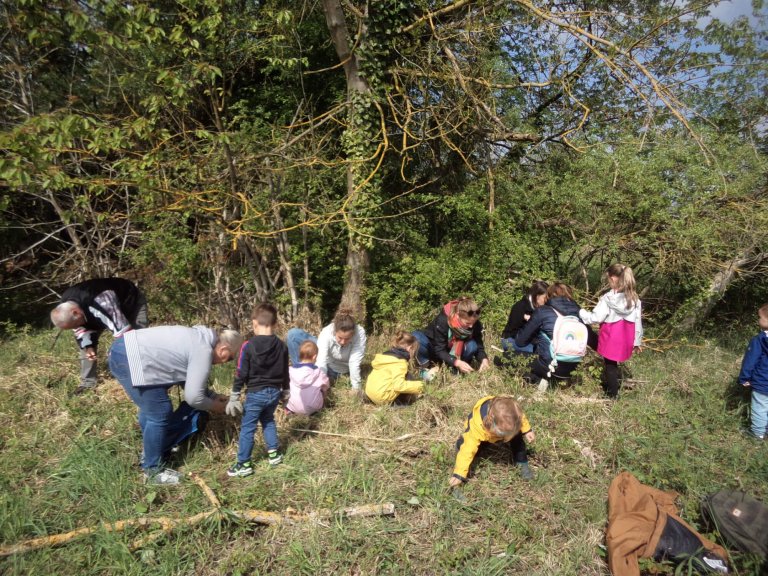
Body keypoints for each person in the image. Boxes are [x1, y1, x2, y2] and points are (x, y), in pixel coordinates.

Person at [108, 325, 242, 485]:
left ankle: (151, 453)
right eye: (230, 358)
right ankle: (152, 471)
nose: (225, 362)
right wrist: (214, 406)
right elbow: (194, 398)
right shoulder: (203, 350)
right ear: (224, 350)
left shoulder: (199, 337)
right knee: (158, 412)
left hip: (123, 350)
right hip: (130, 356)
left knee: (152, 408)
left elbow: (188, 380)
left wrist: (213, 396)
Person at [51, 277, 148, 395]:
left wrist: (116, 355)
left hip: (130, 304)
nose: (76, 327)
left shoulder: (101, 301)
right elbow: (79, 329)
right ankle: (87, 383)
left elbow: (125, 335)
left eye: (75, 324)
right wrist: (89, 345)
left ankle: (141, 379)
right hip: (92, 312)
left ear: (75, 312)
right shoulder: (67, 303)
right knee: (85, 349)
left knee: (137, 341)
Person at [226, 303, 290, 477]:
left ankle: (244, 463)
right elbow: (285, 370)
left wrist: (235, 395)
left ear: (254, 323)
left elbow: (241, 372)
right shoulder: (282, 345)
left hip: (256, 393)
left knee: (248, 427)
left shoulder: (248, 345)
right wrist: (286, 391)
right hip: (275, 392)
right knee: (268, 420)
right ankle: (274, 454)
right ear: (275, 324)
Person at [579, 264, 643, 398]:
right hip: (626, 336)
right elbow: (638, 322)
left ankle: (613, 394)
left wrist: (581, 313)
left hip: (611, 335)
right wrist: (637, 341)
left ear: (613, 278)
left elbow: (596, 318)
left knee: (610, 365)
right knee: (613, 363)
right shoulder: (635, 299)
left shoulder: (607, 298)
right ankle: (613, 389)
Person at [515, 282, 597, 382]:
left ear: (549, 296)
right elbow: (595, 343)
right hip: (572, 369)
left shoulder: (543, 311)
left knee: (503, 358)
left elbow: (520, 341)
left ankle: (538, 380)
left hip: (549, 366)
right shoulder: (579, 314)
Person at [449, 395, 536, 486]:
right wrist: (459, 474)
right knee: (473, 449)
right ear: (491, 424)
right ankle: (460, 444)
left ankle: (521, 462)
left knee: (518, 439)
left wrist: (527, 430)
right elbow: (467, 451)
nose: (507, 438)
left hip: (500, 429)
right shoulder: (477, 430)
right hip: (483, 434)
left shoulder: (511, 412)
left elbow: (520, 417)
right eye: (503, 434)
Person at [286, 307, 367, 392]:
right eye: (340, 338)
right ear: (335, 331)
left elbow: (354, 362)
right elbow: (321, 361)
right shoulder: (327, 332)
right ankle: (300, 374)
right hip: (327, 364)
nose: (343, 342)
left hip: (340, 370)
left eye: (347, 339)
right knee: (293, 335)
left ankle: (318, 377)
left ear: (353, 334)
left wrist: (356, 388)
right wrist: (320, 383)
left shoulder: (360, 334)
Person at [413, 297, 490, 378]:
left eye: (473, 323)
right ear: (457, 315)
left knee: (473, 345)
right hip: (436, 350)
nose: (471, 326)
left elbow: (479, 346)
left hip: (457, 353)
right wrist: (456, 362)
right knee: (416, 337)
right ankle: (426, 368)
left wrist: (483, 359)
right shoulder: (443, 320)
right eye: (467, 323)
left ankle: (457, 369)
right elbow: (439, 349)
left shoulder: (474, 322)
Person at [365, 331, 424, 405]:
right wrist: (422, 386)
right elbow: (399, 386)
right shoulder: (399, 362)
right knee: (408, 377)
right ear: (410, 348)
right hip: (383, 398)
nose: (414, 354)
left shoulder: (385, 357)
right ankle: (402, 403)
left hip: (370, 393)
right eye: (414, 351)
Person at [737, 303, 768, 439]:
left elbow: (750, 361)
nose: (758, 320)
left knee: (760, 407)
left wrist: (744, 378)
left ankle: (757, 434)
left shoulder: (759, 340)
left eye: (760, 317)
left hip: (763, 381)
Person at [501, 281, 549, 355]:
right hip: (510, 339)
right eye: (545, 298)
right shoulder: (520, 307)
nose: (546, 301)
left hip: (529, 340)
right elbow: (513, 331)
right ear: (537, 296)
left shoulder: (541, 309)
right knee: (530, 350)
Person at [285, 340, 330, 416]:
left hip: (293, 407)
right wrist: (325, 397)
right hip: (313, 409)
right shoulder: (318, 372)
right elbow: (326, 386)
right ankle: (319, 409)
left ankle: (289, 411)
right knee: (323, 389)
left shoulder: (290, 370)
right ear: (314, 356)